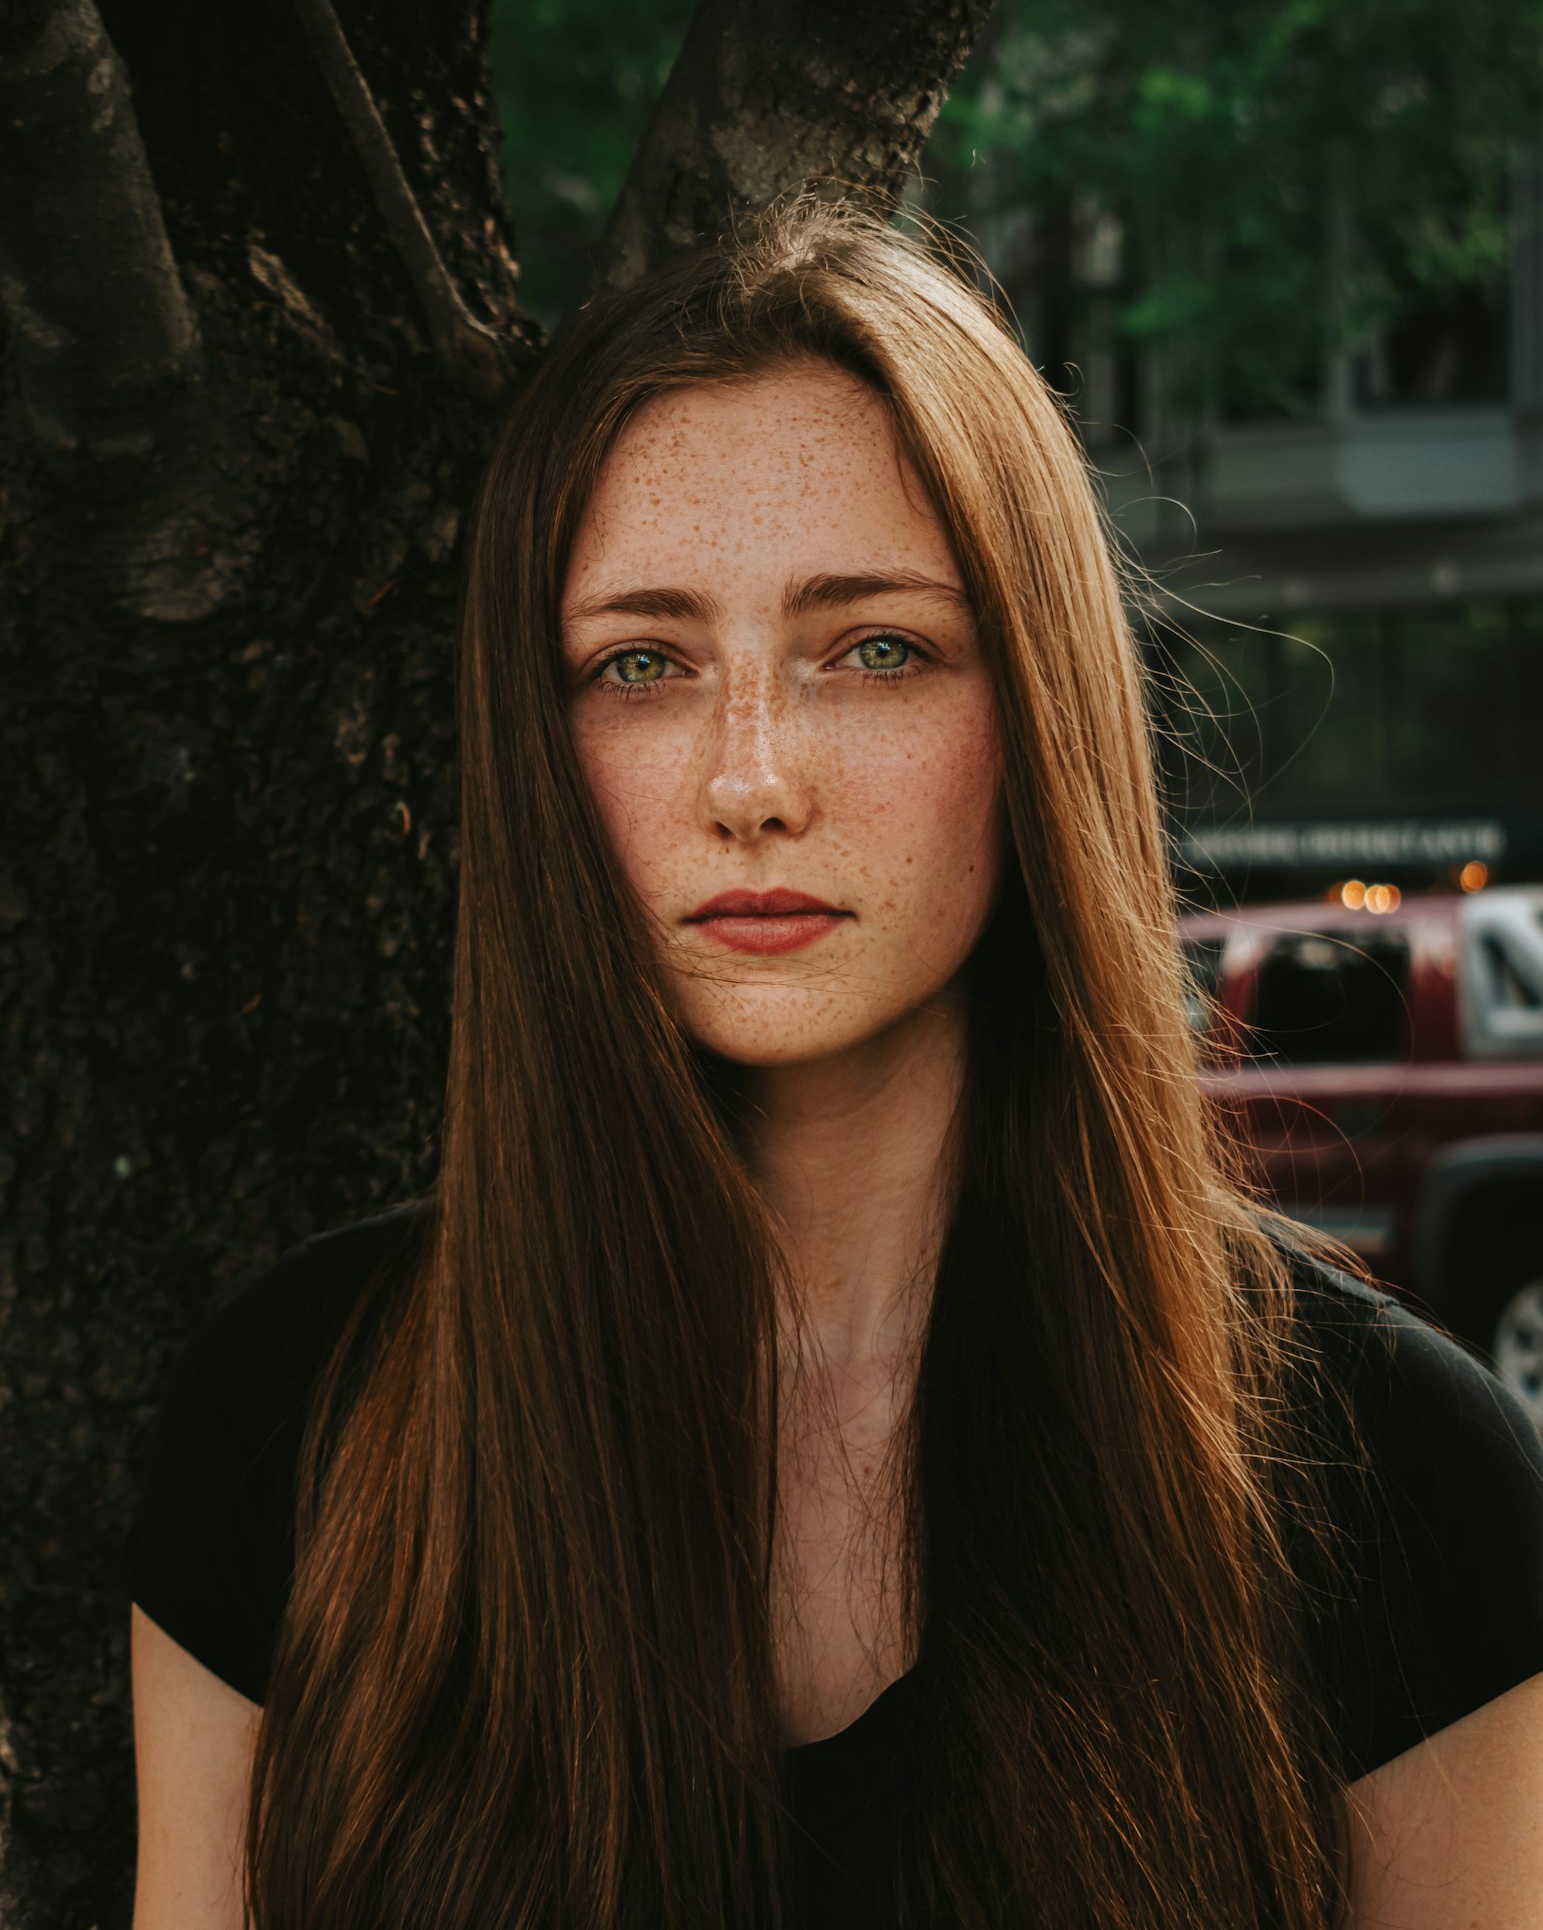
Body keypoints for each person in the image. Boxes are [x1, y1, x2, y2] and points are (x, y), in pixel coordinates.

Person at [125, 199, 1543, 1930]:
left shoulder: (1397, 1475)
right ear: (533, 739)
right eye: (640, 664)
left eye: (874, 649)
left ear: (1038, 712)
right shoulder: (294, 1424)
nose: (751, 779)